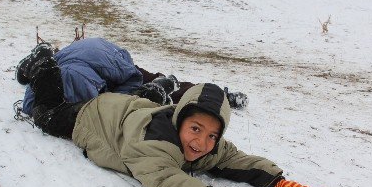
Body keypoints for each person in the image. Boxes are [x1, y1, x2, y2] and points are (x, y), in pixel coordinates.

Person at [16, 44, 323, 187]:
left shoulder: (199, 141)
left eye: (212, 135)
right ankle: (44, 66)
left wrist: (278, 180)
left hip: (127, 107)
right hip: (90, 117)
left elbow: (233, 158)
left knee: (142, 98)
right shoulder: (152, 146)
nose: (201, 142)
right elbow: (166, 179)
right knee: (46, 114)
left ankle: (154, 90)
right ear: (180, 121)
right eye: (196, 129)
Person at [16, 37, 248, 116]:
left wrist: (143, 94)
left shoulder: (110, 65)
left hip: (110, 58)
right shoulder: (43, 80)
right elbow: (30, 106)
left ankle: (219, 96)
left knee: (150, 84)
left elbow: (132, 80)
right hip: (84, 57)